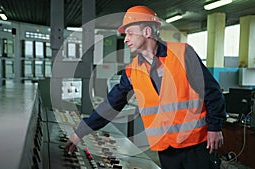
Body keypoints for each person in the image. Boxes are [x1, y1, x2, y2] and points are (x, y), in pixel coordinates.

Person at [65, 5, 226, 169]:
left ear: (147, 32)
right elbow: (111, 105)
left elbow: (212, 92)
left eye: (130, 33)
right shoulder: (132, 71)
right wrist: (81, 132)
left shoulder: (182, 53)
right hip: (166, 148)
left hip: (196, 144)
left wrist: (215, 127)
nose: (126, 39)